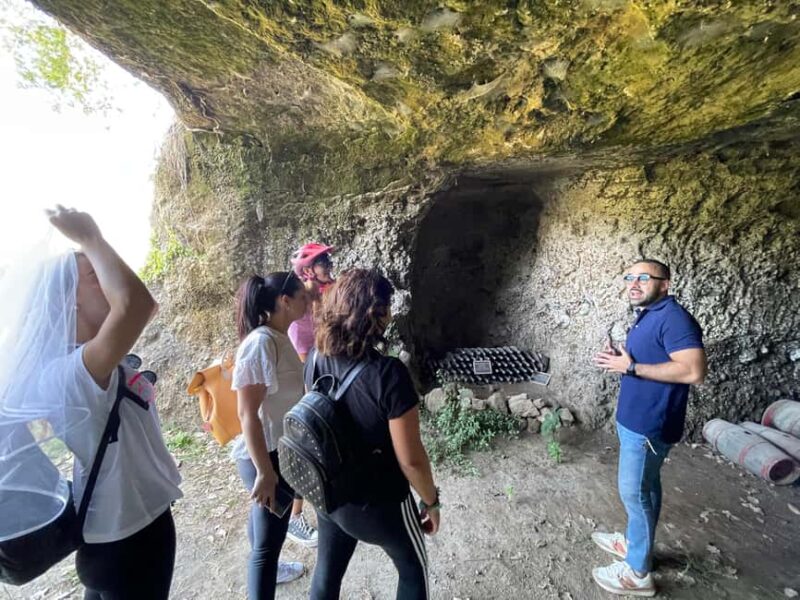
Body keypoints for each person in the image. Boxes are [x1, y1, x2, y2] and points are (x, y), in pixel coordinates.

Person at [0, 206, 183, 599]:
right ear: (70, 302)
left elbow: (138, 305)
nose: (105, 282)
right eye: (92, 277)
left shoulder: (82, 363)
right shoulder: (70, 374)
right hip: (130, 538)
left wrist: (93, 248)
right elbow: (138, 304)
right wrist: (90, 239)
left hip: (118, 530)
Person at [307, 268, 440, 600]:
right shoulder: (389, 374)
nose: (392, 312)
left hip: (331, 494)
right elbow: (410, 460)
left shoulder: (315, 356)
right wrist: (431, 501)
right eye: (387, 305)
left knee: (326, 574)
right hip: (380, 505)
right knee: (413, 570)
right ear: (375, 314)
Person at [592, 259, 707, 597]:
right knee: (647, 486)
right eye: (629, 277)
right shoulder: (650, 315)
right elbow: (647, 361)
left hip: (648, 425)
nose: (634, 283)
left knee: (635, 492)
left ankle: (637, 573)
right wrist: (624, 360)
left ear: (666, 283)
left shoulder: (675, 319)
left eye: (644, 277)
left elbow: (693, 371)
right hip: (638, 421)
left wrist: (633, 367)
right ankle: (634, 543)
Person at [231, 272, 310, 598]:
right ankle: (268, 574)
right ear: (285, 301)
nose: (309, 301)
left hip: (277, 452)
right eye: (303, 296)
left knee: (264, 529)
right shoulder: (262, 343)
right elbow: (247, 413)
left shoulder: (277, 336)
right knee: (267, 546)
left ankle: (272, 571)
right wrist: (265, 471)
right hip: (266, 457)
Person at [284, 242, 335, 547]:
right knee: (308, 450)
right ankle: (294, 518)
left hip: (322, 381)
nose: (329, 263)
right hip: (307, 388)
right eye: (322, 261)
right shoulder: (300, 316)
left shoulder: (323, 298)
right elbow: (307, 364)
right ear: (307, 271)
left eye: (327, 258)